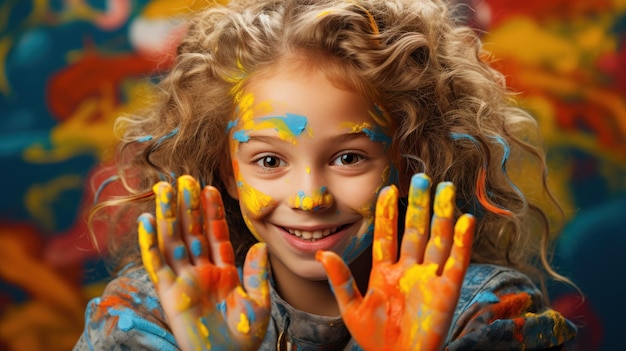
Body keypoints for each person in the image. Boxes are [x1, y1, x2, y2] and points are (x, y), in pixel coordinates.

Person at [73, 0, 578, 350]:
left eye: (349, 158)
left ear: (410, 161)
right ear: (226, 172)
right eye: (269, 161)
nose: (310, 197)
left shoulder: (484, 313)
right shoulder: (144, 315)